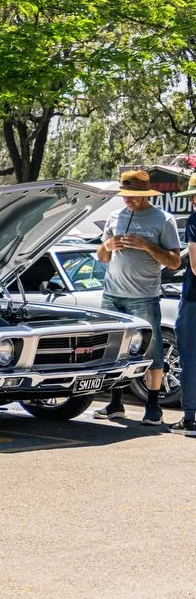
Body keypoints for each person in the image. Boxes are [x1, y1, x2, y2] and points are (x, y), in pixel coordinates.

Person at [93, 170, 182, 424]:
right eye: (125, 195)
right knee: (113, 351)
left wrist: (147, 246)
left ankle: (153, 406)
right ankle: (115, 403)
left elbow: (175, 262)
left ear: (145, 194)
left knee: (152, 351)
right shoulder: (115, 216)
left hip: (144, 296)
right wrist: (107, 246)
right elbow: (102, 257)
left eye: (133, 195)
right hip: (112, 294)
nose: (128, 200)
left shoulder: (163, 220)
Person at [173, 174, 196, 436]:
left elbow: (195, 265)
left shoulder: (195, 221)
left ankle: (190, 418)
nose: (191, 201)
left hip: (194, 298)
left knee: (190, 357)